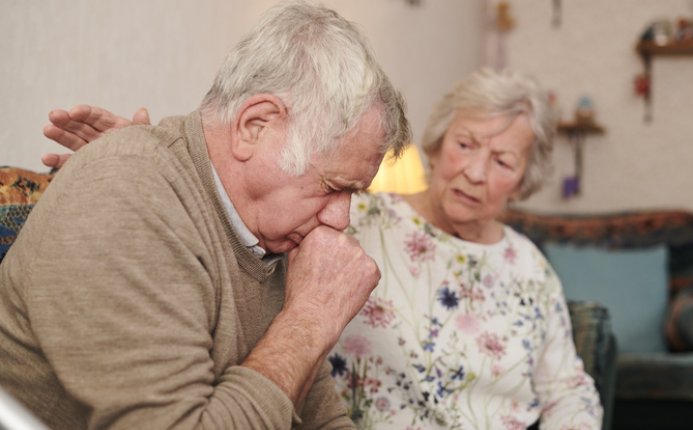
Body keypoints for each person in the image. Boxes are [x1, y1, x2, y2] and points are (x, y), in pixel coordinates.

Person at [39, 68, 603, 429]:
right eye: (465, 144)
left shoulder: (528, 266)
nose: (476, 172)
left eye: (503, 161)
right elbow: (247, 203)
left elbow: (569, 393)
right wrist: (151, 157)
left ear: (525, 179)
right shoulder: (352, 220)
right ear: (437, 144)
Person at [0, 1, 410, 429]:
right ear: (255, 126)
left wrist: (306, 320)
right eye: (333, 186)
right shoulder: (126, 192)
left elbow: (320, 417)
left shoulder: (268, 231)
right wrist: (309, 319)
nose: (340, 219)